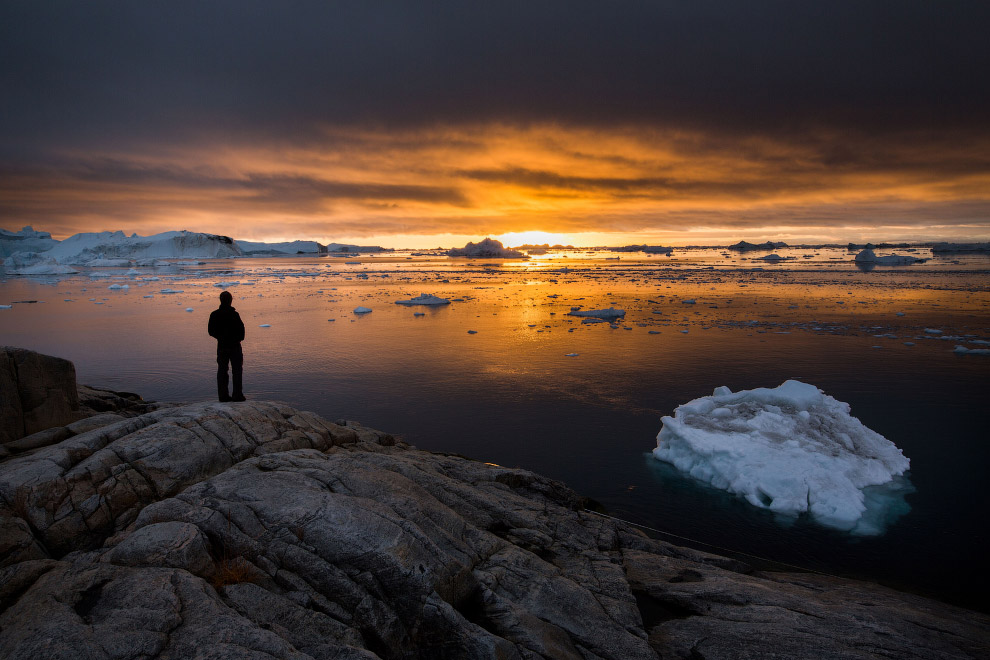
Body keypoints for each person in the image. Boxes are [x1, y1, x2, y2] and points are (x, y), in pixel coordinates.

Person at [208, 291, 246, 402]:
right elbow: (242, 331)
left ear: (220, 300)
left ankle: (223, 396)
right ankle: (237, 395)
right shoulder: (234, 314)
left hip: (222, 346)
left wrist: (221, 337)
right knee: (237, 371)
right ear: (230, 300)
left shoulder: (214, 314)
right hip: (235, 346)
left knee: (222, 370)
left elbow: (211, 331)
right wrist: (237, 339)